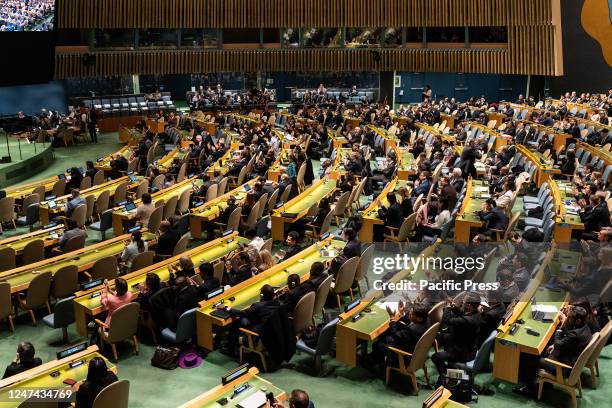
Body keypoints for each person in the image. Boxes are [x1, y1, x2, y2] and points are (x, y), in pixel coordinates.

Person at [369, 303, 429, 374]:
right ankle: (380, 361)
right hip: (415, 349)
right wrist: (401, 313)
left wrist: (392, 318)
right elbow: (410, 322)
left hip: (403, 356)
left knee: (377, 344)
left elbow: (395, 334)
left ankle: (381, 367)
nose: (409, 314)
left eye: (412, 314)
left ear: (419, 318)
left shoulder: (412, 330)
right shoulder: (426, 321)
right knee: (385, 337)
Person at [432, 292, 481, 375]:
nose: (462, 302)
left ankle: (446, 373)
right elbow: (463, 313)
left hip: (464, 353)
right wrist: (453, 307)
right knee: (443, 336)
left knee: (435, 357)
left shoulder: (469, 320)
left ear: (469, 305)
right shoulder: (475, 312)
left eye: (464, 302)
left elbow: (447, 320)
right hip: (466, 344)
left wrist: (447, 307)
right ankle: (450, 360)